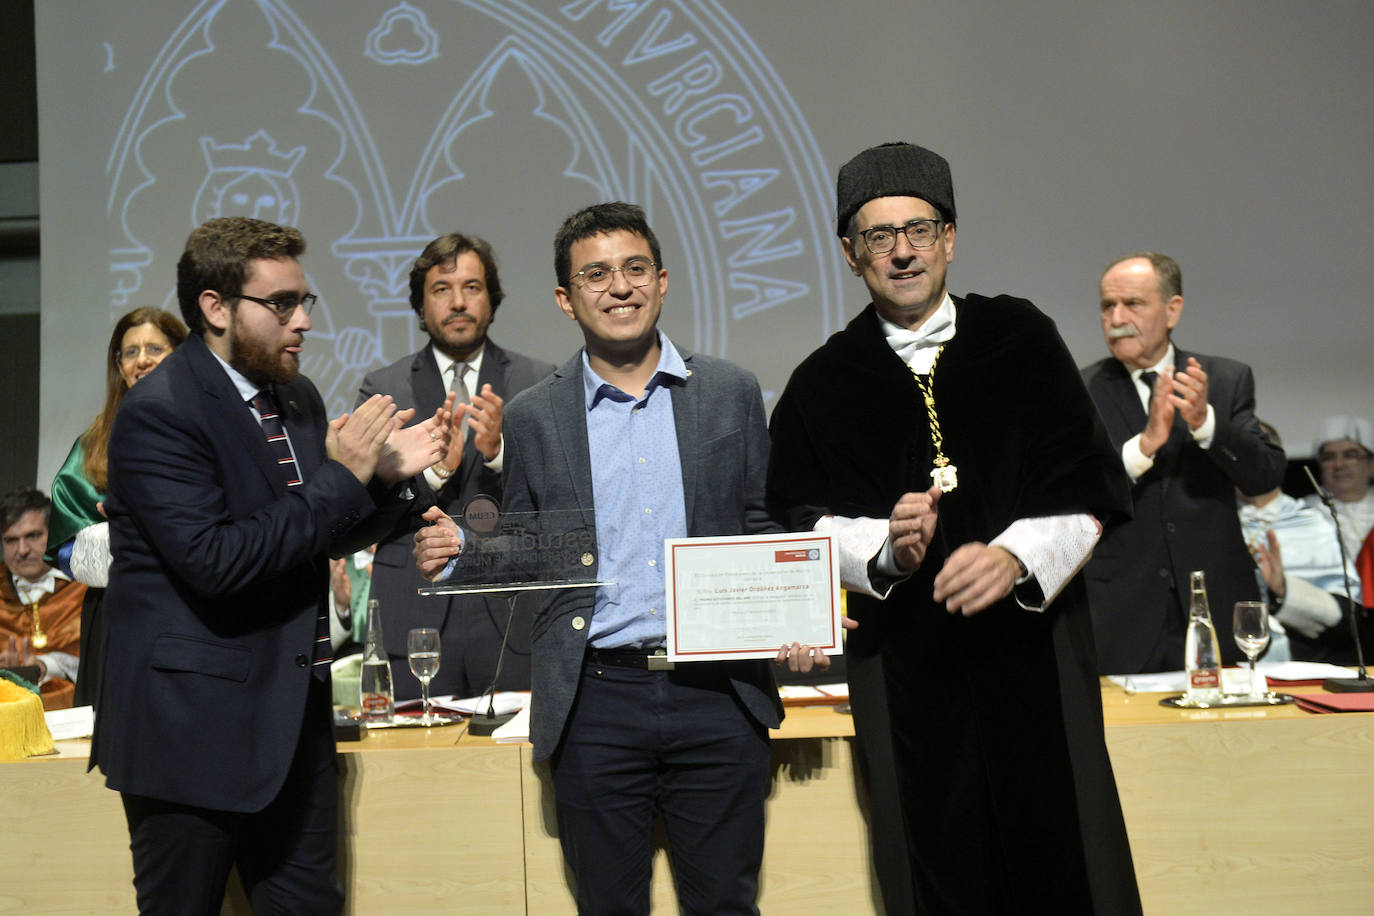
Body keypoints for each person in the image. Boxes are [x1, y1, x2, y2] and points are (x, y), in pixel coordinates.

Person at [765, 142, 1141, 915]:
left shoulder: (1022, 338)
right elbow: (795, 526)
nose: (902, 251)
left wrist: (1014, 555)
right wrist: (885, 550)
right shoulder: (819, 385)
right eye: (878, 236)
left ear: (950, 238)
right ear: (848, 252)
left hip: (1035, 659)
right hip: (910, 679)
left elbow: (1093, 487)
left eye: (920, 229)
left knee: (1066, 871)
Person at [415, 202, 796, 914]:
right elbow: (532, 543)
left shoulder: (729, 391)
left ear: (662, 281)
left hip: (717, 698)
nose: (618, 287)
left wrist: (795, 616)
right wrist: (465, 549)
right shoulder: (535, 413)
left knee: (726, 905)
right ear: (566, 298)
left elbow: (760, 524)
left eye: (634, 269)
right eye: (596, 274)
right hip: (596, 701)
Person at [91, 216, 450, 914]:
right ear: (216, 308)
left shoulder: (298, 397)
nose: (303, 321)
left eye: (304, 301)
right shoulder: (158, 413)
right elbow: (218, 561)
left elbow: (320, 530)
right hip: (189, 731)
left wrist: (392, 479)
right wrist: (344, 479)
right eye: (281, 303)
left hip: (294, 725)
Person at [357, 233, 553, 699]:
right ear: (421, 306)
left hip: (511, 612)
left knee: (517, 765)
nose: (458, 301)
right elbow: (363, 507)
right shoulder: (384, 388)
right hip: (416, 613)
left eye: (472, 287)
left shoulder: (538, 381)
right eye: (442, 289)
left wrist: (500, 455)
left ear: (492, 299)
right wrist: (434, 474)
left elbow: (560, 498)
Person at [1081, 251, 1286, 673]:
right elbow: (1073, 492)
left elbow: (1265, 473)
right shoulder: (1081, 390)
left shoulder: (1226, 379)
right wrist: (1143, 447)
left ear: (1172, 310)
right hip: (1121, 615)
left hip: (1216, 606)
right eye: (1107, 305)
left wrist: (1207, 423)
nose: (1116, 317)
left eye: (1132, 304)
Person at [47, 306, 188, 706]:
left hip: (199, 612)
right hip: (120, 616)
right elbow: (66, 548)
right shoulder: (93, 445)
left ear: (181, 354)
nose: (142, 359)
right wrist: (147, 542)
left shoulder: (210, 429)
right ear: (119, 365)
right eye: (130, 352)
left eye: (155, 348)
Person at [1239, 422, 1364, 663]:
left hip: (1304, 665)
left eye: (1256, 457)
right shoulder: (1210, 524)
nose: (1246, 468)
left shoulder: (1314, 523)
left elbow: (1348, 618)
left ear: (1278, 461)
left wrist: (1284, 589)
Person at [0, 487, 87, 710]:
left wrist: (46, 666)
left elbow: (103, 663)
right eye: (11, 540)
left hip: (74, 718)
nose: (22, 550)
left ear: (54, 533)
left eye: (32, 536)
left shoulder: (84, 588)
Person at [1305, 415, 1374, 559]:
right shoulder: (1306, 513)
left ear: (1371, 464)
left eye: (1350, 455)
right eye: (1329, 457)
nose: (1339, 465)